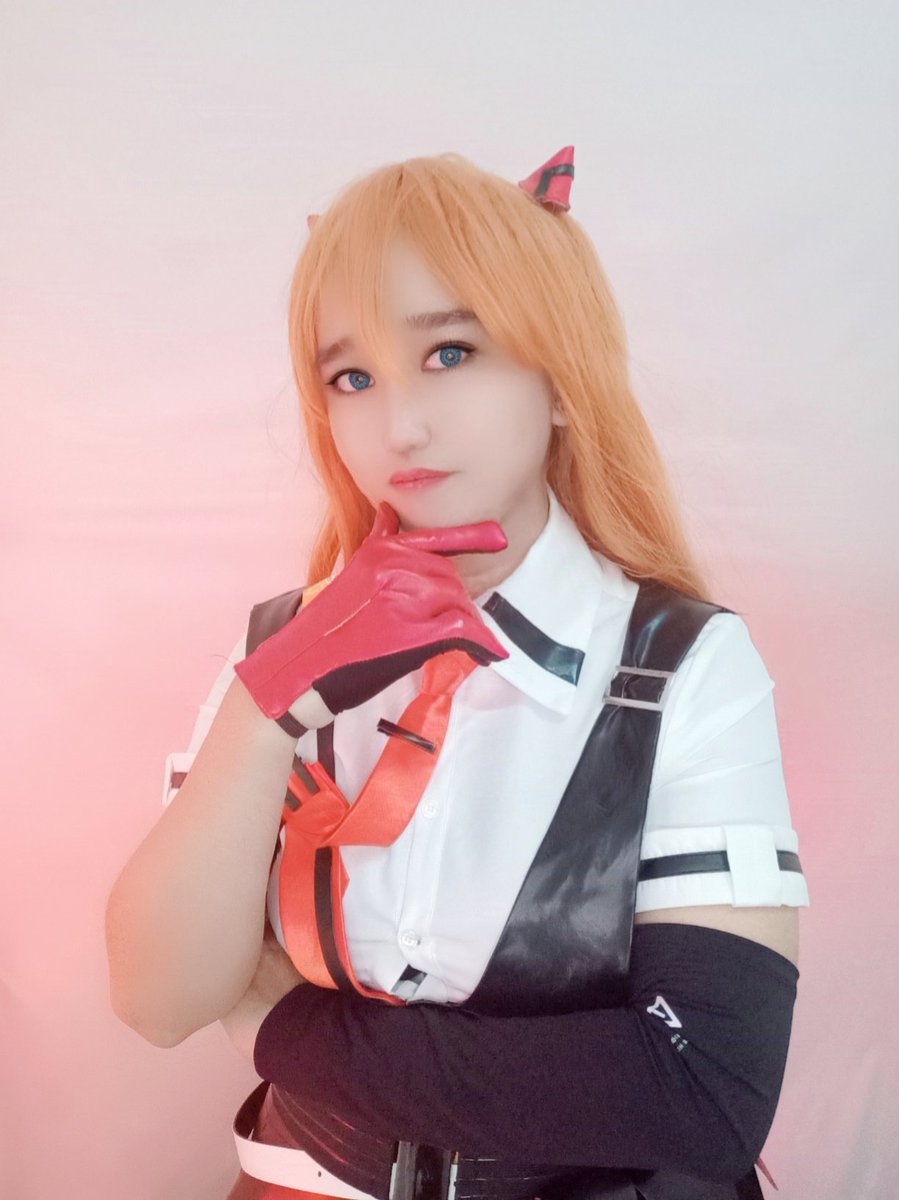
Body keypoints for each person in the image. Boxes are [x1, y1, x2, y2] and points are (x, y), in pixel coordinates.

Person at [105, 147, 809, 1200]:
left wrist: (280, 1023)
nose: (401, 426)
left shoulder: (684, 665)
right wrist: (262, 715)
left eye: (449, 353)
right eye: (352, 377)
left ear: (560, 378)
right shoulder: (277, 646)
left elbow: (697, 1092)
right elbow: (159, 1001)